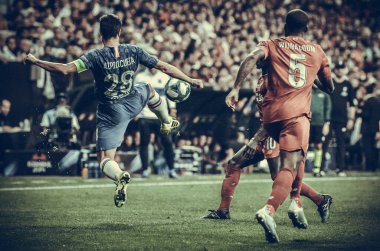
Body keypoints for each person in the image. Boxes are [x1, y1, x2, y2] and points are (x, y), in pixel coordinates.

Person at [24, 14, 203, 208]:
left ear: (101, 34)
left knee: (104, 159)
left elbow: (65, 70)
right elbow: (164, 67)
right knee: (148, 89)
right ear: (119, 31)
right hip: (133, 101)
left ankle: (119, 176)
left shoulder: (94, 56)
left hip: (111, 113)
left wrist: (36, 61)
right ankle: (166, 120)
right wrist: (190, 80)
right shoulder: (134, 50)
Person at [225, 9, 334, 243]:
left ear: (285, 26)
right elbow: (330, 87)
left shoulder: (271, 46)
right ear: (306, 29)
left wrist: (235, 88)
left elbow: (251, 58)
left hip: (271, 121)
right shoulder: (316, 51)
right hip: (295, 116)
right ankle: (272, 208)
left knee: (288, 166)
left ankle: (298, 202)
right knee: (287, 168)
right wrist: (311, 77)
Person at [203, 72, 333, 226]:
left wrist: (256, 140)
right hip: (264, 133)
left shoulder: (278, 79)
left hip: (273, 133)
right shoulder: (263, 78)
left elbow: (276, 116)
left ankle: (320, 200)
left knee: (278, 176)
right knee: (233, 164)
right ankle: (223, 210)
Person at [135, 68, 178, 178]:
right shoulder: (140, 77)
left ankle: (171, 169)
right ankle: (145, 169)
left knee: (167, 142)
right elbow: (135, 96)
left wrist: (172, 108)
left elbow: (171, 93)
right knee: (144, 142)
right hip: (145, 116)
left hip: (161, 116)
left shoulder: (164, 77)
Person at [324, 61, 355, 176]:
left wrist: (351, 119)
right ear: (335, 69)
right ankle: (322, 169)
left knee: (341, 145)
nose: (340, 70)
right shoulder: (329, 83)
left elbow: (352, 104)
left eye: (342, 68)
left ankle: (340, 169)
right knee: (325, 143)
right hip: (328, 119)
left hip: (342, 120)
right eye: (338, 68)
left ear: (345, 69)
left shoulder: (348, 85)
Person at [310, 85, 332, 176]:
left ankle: (317, 168)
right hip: (306, 123)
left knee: (318, 145)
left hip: (319, 123)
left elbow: (328, 108)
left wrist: (326, 123)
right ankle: (300, 168)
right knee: (303, 146)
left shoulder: (324, 93)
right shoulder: (306, 91)